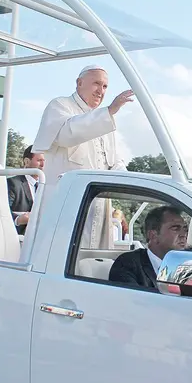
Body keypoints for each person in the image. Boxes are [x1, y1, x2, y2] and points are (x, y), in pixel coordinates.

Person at [30, 64, 135, 249]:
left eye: (105, 87)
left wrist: (131, 180)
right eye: (96, 84)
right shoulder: (60, 105)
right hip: (65, 204)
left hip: (97, 204)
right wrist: (109, 111)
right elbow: (66, 134)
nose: (100, 91)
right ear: (79, 83)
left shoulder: (104, 118)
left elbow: (112, 160)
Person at [108, 206, 188, 289]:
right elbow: (132, 300)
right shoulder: (127, 265)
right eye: (175, 228)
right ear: (153, 235)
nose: (184, 235)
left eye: (185, 229)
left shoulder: (188, 265)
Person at [7, 145, 44, 235]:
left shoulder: (46, 186)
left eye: (44, 161)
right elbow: (3, 211)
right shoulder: (13, 183)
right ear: (27, 162)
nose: (43, 165)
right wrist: (18, 220)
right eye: (39, 161)